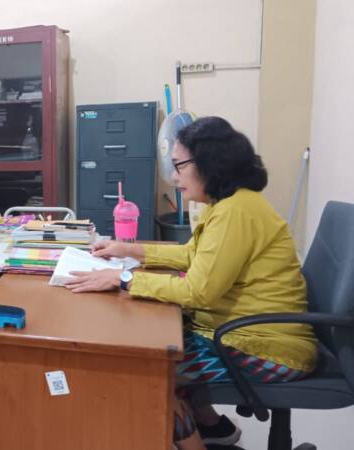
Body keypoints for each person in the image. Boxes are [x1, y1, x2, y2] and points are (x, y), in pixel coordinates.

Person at [64, 117, 318, 450]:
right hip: (246, 332)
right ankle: (213, 428)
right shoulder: (230, 203)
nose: (174, 177)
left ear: (208, 162)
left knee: (148, 368)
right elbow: (191, 255)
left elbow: (198, 291)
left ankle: (197, 439)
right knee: (160, 340)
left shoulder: (235, 212)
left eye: (179, 166)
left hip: (268, 349)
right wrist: (126, 250)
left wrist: (123, 279)